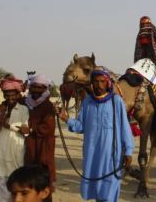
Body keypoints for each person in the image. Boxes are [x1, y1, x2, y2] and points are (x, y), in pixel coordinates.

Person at [57, 67, 134, 202]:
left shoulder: (116, 101)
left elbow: (125, 128)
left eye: (102, 81)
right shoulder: (87, 102)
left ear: (107, 83)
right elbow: (81, 126)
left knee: (109, 190)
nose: (99, 85)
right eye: (96, 82)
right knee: (95, 190)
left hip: (111, 155)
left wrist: (128, 151)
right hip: (92, 155)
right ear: (92, 83)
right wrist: (66, 119)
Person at [23, 74, 56, 201]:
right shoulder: (27, 102)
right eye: (34, 87)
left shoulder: (48, 106)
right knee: (29, 174)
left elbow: (48, 127)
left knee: (44, 174)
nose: (36, 91)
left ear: (45, 89)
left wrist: (31, 129)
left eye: (39, 88)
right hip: (30, 144)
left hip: (44, 145)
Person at [0, 77, 30, 201]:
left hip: (16, 148)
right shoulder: (1, 109)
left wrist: (7, 125)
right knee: (0, 179)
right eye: (7, 96)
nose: (10, 99)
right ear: (4, 95)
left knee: (16, 178)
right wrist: (0, 118)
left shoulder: (23, 110)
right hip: (1, 148)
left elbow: (25, 130)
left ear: (17, 95)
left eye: (13, 96)